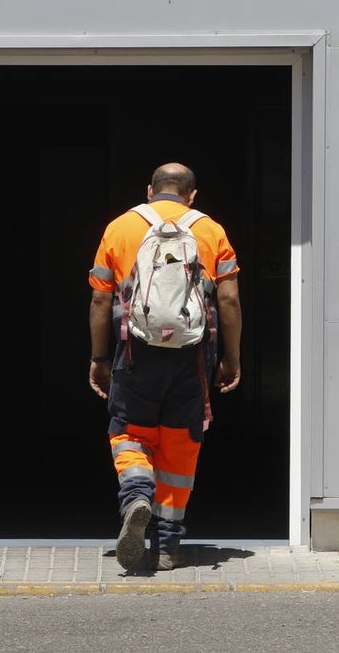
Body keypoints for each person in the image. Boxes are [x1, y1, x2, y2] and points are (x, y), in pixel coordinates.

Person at [87, 162, 242, 571]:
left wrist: (99, 358)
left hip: (134, 354)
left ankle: (137, 495)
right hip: (193, 358)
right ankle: (169, 545)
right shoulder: (211, 230)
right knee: (180, 445)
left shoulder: (120, 227)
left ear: (150, 191)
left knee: (128, 432)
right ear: (192, 195)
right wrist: (231, 358)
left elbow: (101, 299)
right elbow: (228, 300)